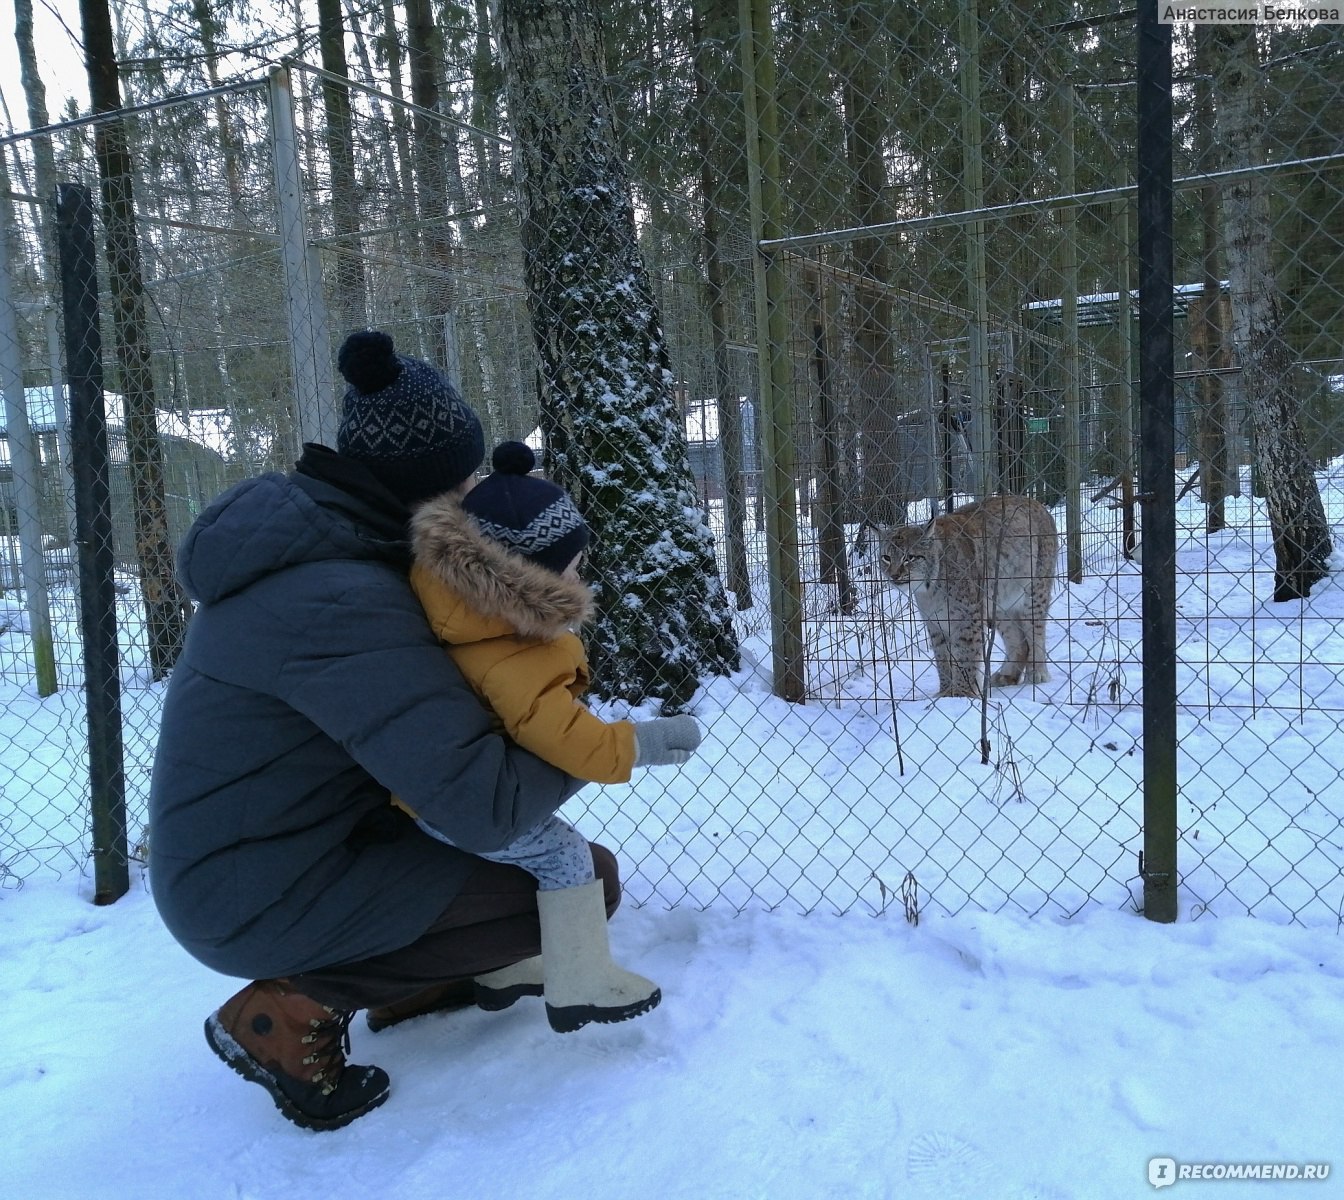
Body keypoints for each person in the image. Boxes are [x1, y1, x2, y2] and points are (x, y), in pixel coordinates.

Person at [147, 329, 698, 1132]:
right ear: (432, 487)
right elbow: (485, 804)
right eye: (466, 476)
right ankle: (288, 1013)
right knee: (578, 885)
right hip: (252, 890)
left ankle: (414, 982)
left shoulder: (338, 546)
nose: (476, 491)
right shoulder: (335, 596)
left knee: (560, 880)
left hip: (298, 844)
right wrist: (581, 739)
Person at [401, 437, 702, 1033]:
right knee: (565, 857)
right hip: (460, 806)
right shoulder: (508, 649)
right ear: (527, 578)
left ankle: (505, 967)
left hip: (439, 795)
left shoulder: (463, 616)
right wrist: (639, 743)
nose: (580, 572)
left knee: (524, 865)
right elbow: (557, 733)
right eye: (571, 565)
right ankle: (581, 984)